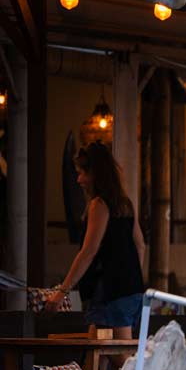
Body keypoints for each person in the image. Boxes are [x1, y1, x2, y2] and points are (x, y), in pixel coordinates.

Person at [45, 142, 146, 338]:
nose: (78, 179)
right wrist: (131, 278)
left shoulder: (99, 204)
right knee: (96, 349)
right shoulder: (125, 204)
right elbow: (140, 245)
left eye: (82, 173)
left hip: (111, 291)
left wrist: (62, 291)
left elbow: (88, 251)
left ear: (95, 175)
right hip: (132, 290)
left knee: (120, 357)